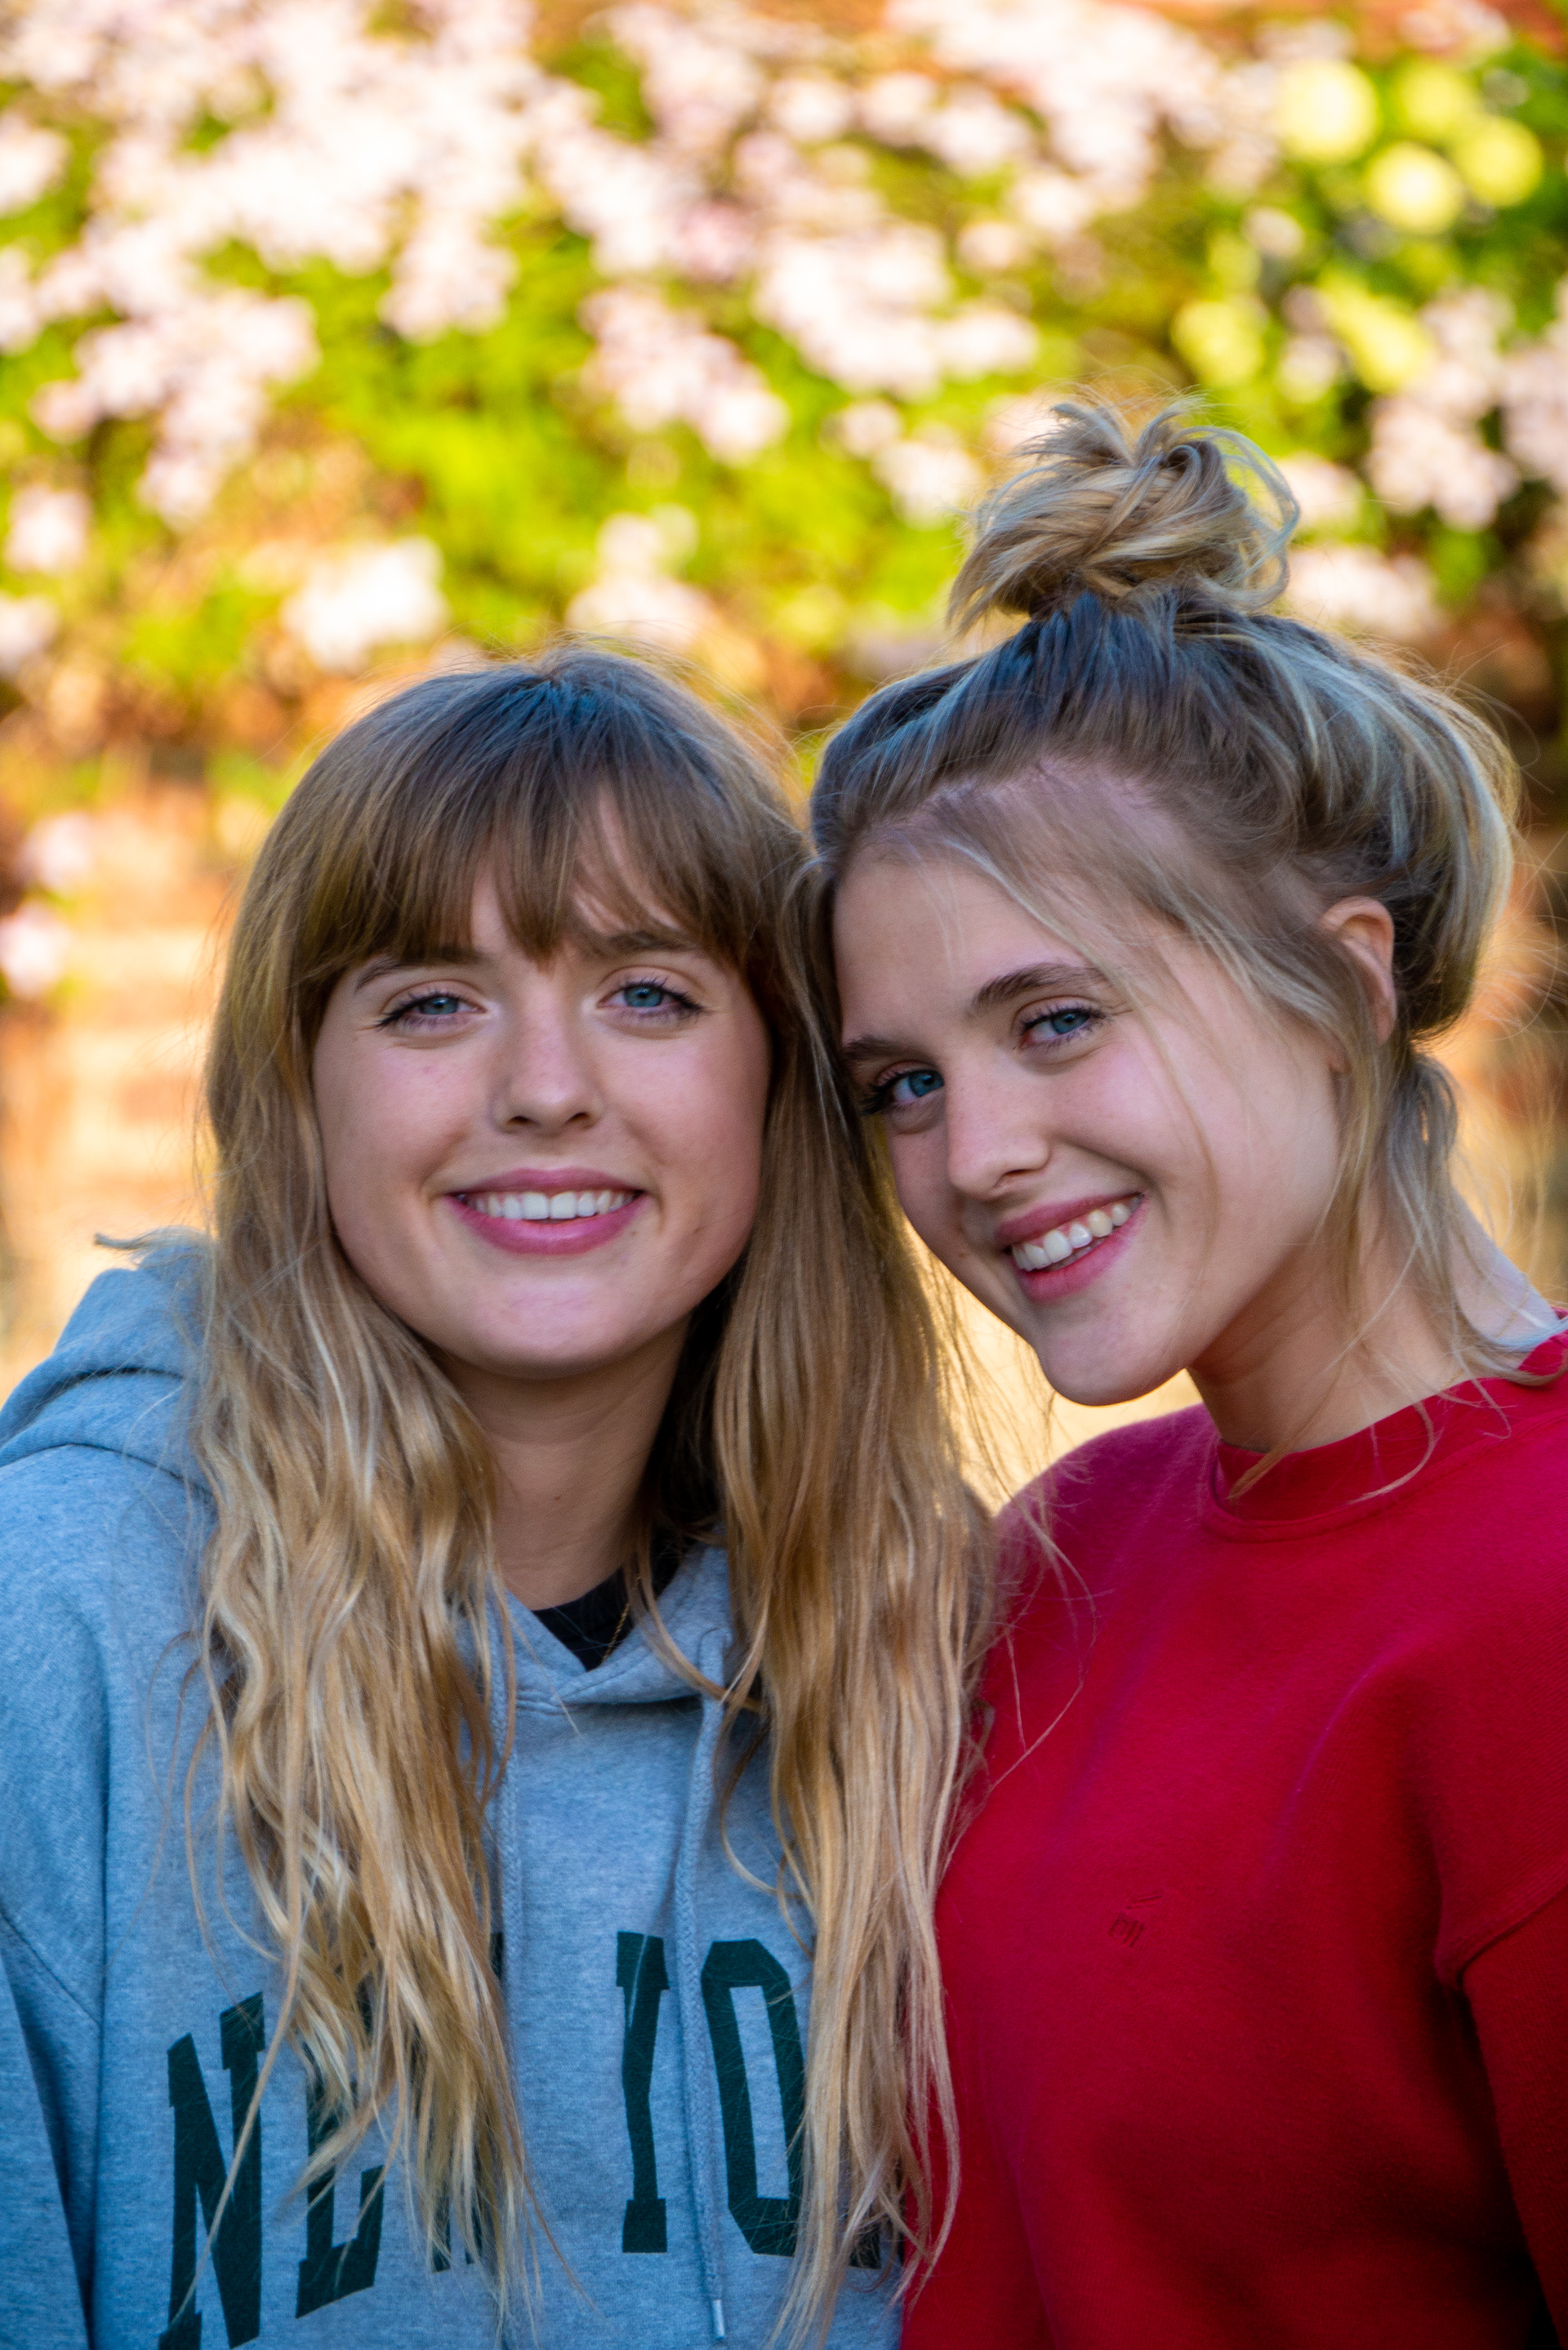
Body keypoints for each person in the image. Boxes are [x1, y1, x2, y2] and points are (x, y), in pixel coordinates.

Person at [0, 649, 988, 2348]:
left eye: (650, 992)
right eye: (430, 1000)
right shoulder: (59, 1625)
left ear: (781, 1086)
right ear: (298, 1090)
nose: (544, 1085)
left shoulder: (927, 1637)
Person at [813, 400, 1568, 2348]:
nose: (970, 1154)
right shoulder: (1061, 1555)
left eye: (1055, 1019)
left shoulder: (1539, 1597)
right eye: (902, 1081)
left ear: (1346, 979)